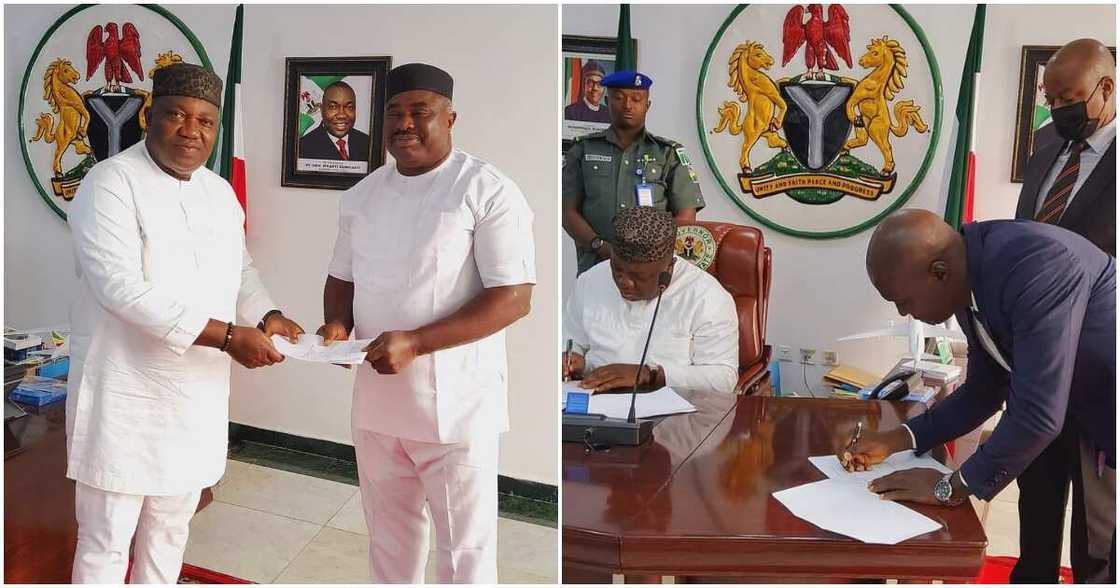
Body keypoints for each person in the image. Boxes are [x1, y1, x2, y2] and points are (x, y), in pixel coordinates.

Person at [66, 63, 304, 584]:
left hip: (195, 396)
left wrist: (266, 314)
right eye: (177, 115)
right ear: (151, 115)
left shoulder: (218, 192)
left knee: (171, 530)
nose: (191, 131)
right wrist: (225, 336)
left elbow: (239, 268)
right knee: (107, 540)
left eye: (205, 121)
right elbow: (120, 289)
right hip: (124, 395)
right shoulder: (109, 184)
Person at [317, 62, 535, 584]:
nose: (406, 124)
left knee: (464, 552)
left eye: (421, 112)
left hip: (458, 406)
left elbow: (513, 298)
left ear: (451, 117)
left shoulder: (486, 190)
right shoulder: (362, 195)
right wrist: (336, 327)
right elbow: (341, 279)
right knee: (389, 543)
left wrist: (416, 342)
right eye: (395, 112)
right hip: (377, 401)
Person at [841, 210, 1115, 583]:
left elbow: (1037, 416)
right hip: (1071, 402)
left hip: (1105, 412)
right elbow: (985, 390)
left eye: (903, 300)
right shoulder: (969, 273)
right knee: (1039, 534)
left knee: (1099, 552)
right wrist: (899, 439)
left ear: (939, 272)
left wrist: (950, 486)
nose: (904, 312)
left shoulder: (1036, 265)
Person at [1011, 38, 1116, 583]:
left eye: (1067, 98)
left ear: (1106, 88)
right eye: (1048, 98)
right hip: (1038, 371)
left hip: (1100, 376)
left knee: (1096, 537)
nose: (1056, 110)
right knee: (1037, 509)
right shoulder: (1047, 142)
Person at [562, 206, 738, 395]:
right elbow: (571, 340)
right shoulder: (590, 280)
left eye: (638, 276)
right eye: (617, 270)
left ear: (669, 267)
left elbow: (723, 378)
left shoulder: (706, 297)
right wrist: (572, 359)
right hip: (594, 403)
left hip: (673, 413)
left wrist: (651, 374)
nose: (625, 282)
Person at [563, 70, 706, 275]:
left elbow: (685, 215)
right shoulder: (584, 150)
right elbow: (567, 211)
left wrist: (654, 255)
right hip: (596, 265)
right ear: (607, 101)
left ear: (647, 105)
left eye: (636, 99)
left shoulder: (668, 154)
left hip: (652, 270)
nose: (627, 105)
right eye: (619, 98)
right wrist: (599, 246)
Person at [298, 80, 371, 161]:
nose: (341, 115)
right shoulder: (302, 147)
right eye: (333, 107)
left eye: (349, 107)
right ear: (322, 110)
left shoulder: (368, 143)